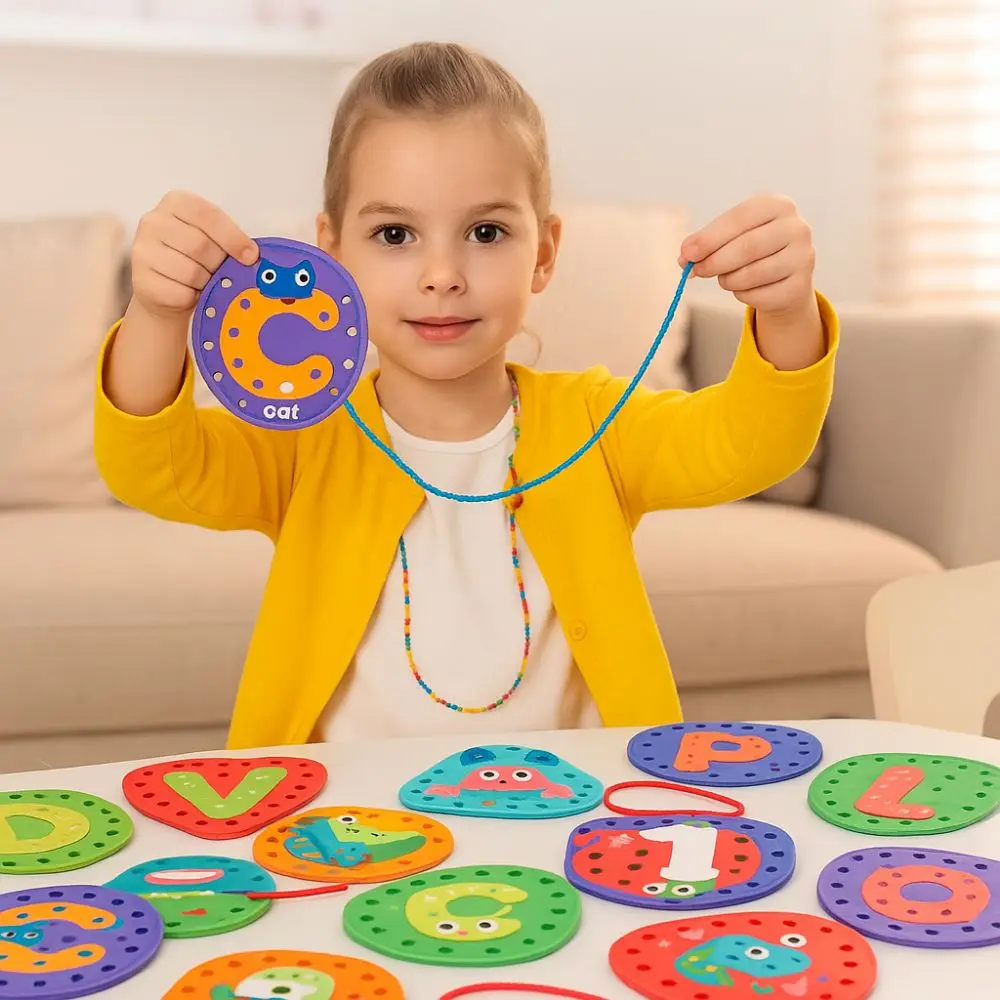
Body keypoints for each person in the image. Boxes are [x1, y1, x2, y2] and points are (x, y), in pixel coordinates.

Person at [95, 41, 837, 750]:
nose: (442, 275)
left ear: (543, 252)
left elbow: (753, 444)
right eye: (395, 234)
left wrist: (785, 313)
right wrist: (157, 314)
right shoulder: (304, 439)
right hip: (349, 818)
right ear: (332, 251)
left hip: (573, 812)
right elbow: (152, 469)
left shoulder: (597, 424)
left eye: (485, 231)